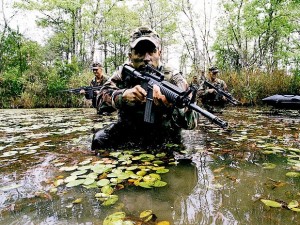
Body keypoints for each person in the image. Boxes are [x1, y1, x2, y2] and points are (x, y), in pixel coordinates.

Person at [91, 26, 198, 153]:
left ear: (159, 53)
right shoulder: (123, 73)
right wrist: (123, 96)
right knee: (98, 140)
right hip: (130, 131)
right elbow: (100, 101)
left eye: (151, 51)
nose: (147, 58)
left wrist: (171, 107)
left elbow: (191, 124)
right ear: (130, 55)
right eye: (140, 52)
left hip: (164, 133)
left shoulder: (173, 77)